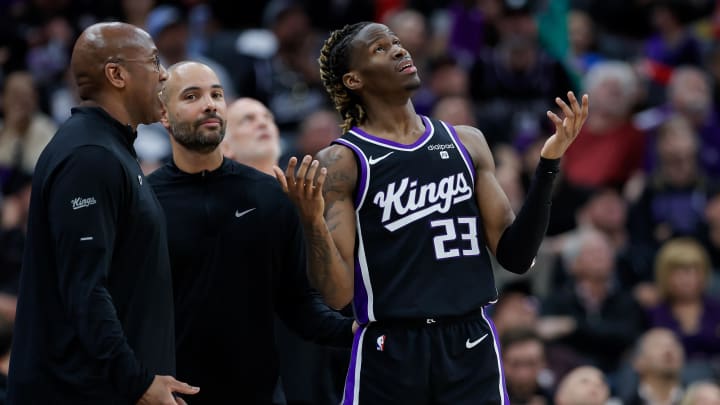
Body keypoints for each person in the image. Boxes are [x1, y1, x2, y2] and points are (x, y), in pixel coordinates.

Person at [274, 21, 589, 404]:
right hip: (391, 348)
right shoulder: (344, 162)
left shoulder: (466, 142)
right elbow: (338, 295)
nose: (398, 49)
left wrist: (548, 165)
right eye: (379, 48)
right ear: (354, 80)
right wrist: (311, 221)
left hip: (470, 340)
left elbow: (516, 257)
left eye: (396, 42)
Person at [7, 22, 198, 404]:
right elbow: (85, 288)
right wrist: (138, 382)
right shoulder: (90, 157)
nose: (164, 73)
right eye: (154, 61)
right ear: (116, 74)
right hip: (79, 392)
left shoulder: (109, 148)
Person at [148, 61, 354, 405]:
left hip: (259, 394)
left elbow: (298, 304)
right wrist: (138, 382)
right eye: (192, 96)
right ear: (164, 115)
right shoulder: (144, 201)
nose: (210, 103)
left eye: (216, 94)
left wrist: (357, 330)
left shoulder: (270, 195)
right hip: (174, 396)